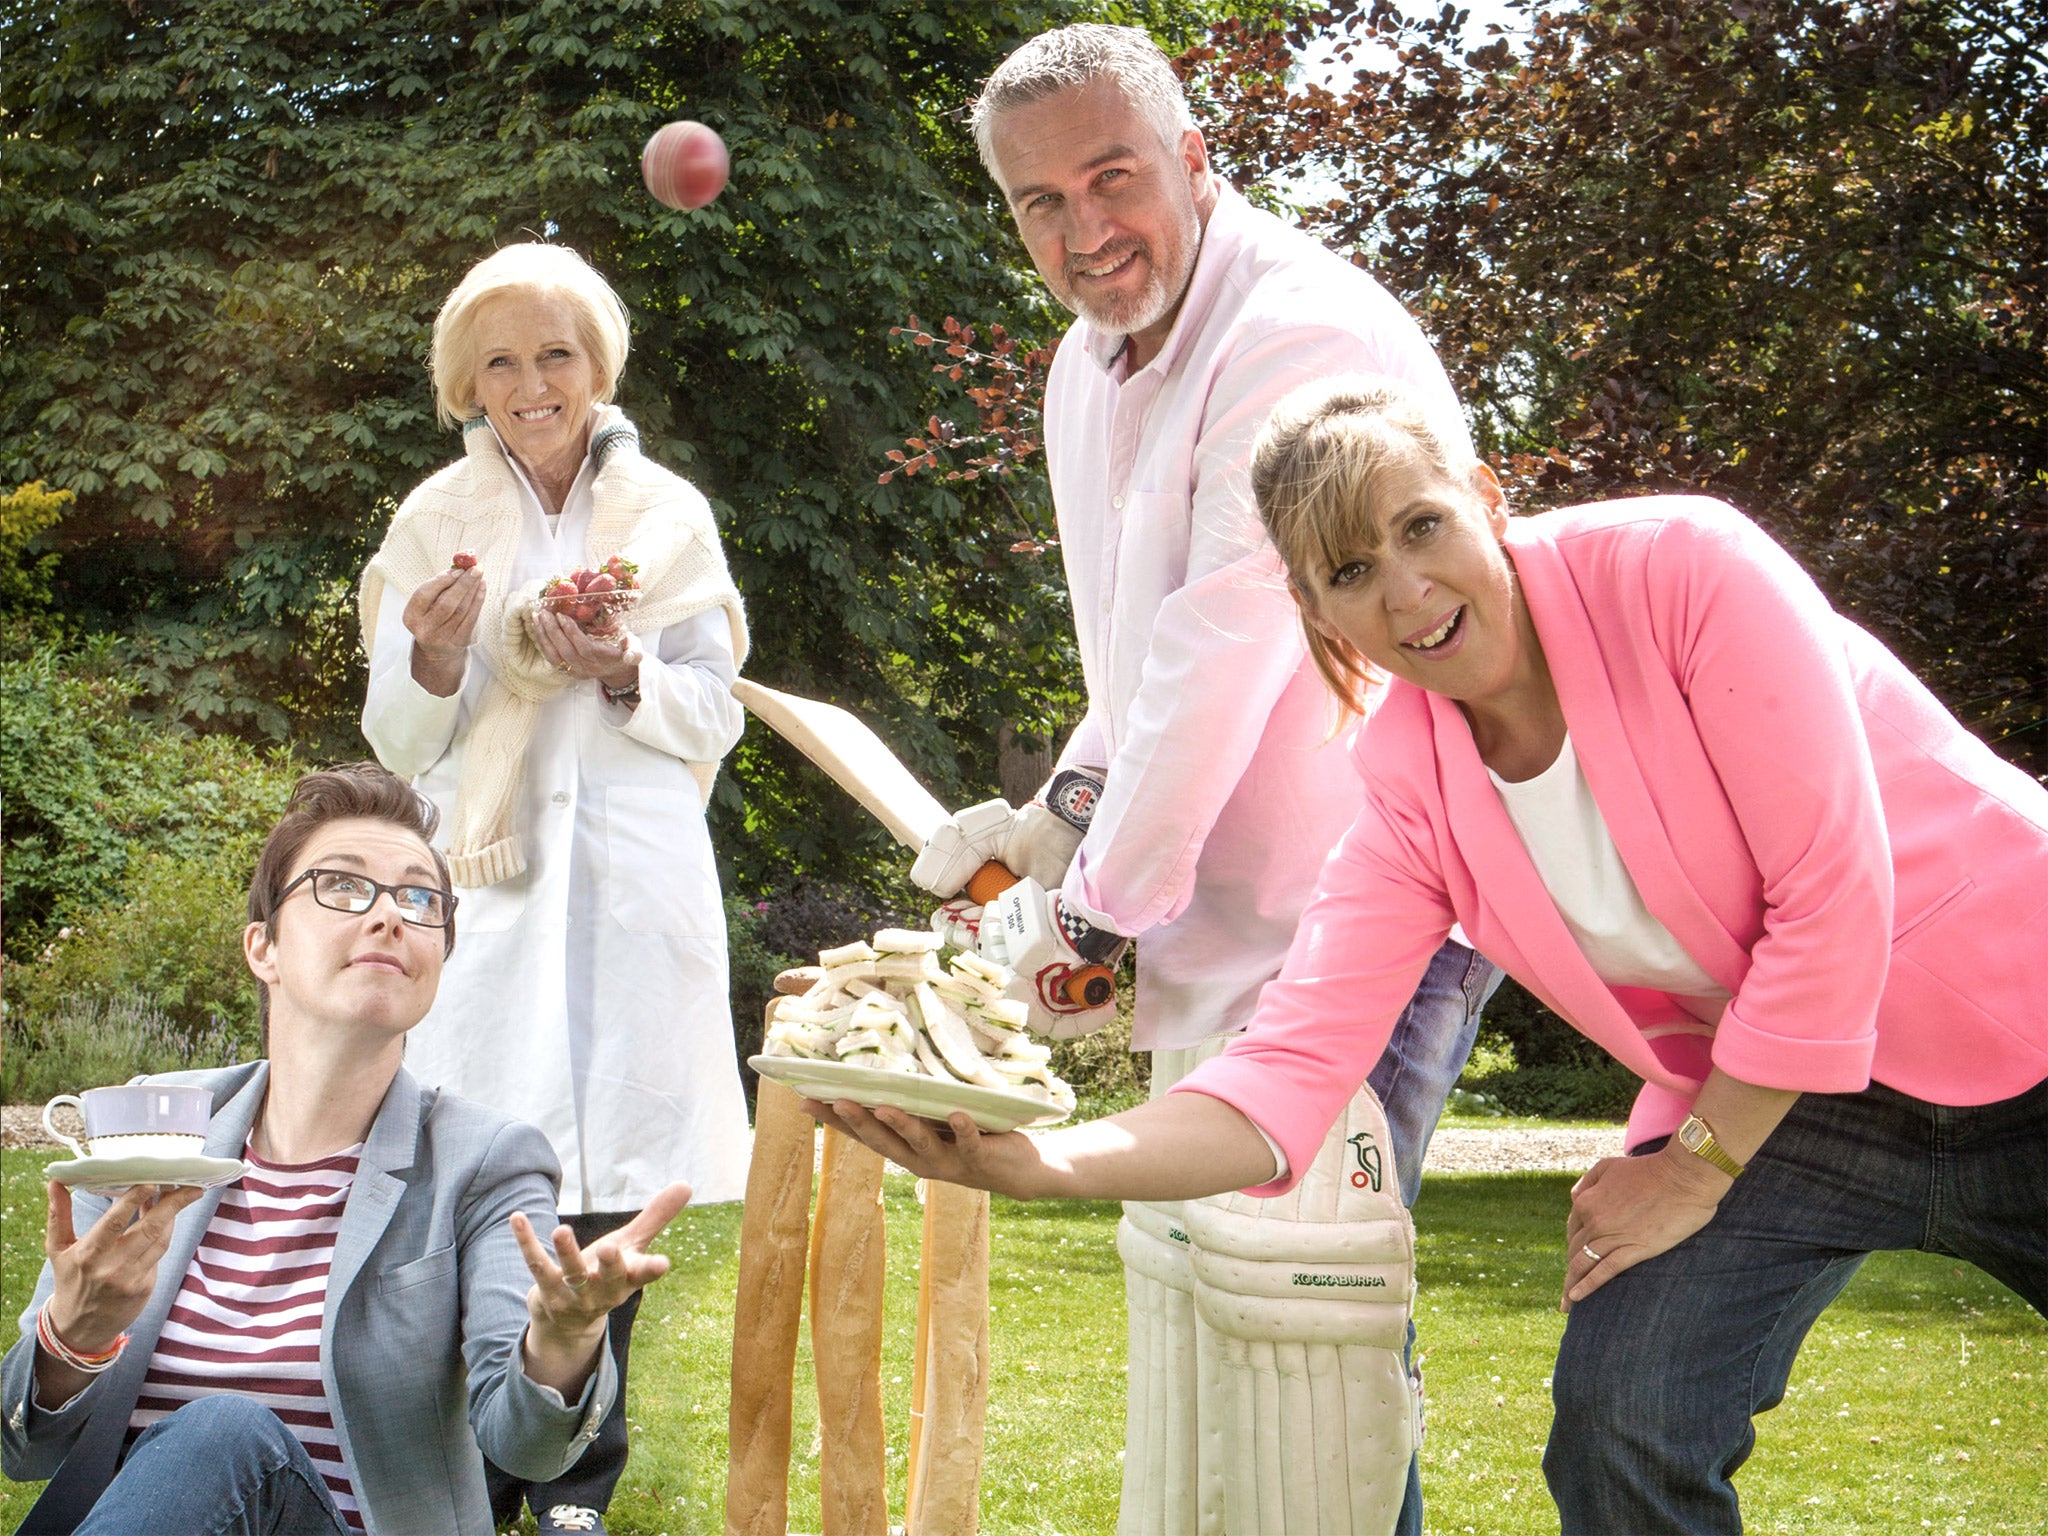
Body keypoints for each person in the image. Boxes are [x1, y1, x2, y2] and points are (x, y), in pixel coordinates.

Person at [818, 375, 2048, 1534]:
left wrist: (1690, 1167)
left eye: (1420, 526)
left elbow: (1831, 898)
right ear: (1315, 610)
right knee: (1623, 1422)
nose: (1405, 590)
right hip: (1780, 1108)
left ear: (1486, 498)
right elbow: (1287, 1071)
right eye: (1351, 570)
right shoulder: (1405, 787)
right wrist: (1040, 1160)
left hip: (2010, 1016)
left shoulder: (1681, 568)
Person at [905, 24, 1499, 1535]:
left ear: (1194, 158)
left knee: (1314, 1314)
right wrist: (1057, 813)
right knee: (1215, 1318)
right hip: (1233, 919)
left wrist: (1088, 922)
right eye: (1041, 203)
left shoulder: (1297, 338)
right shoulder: (1083, 369)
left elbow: (1239, 642)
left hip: (1379, 898)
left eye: (1113, 178)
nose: (1085, 229)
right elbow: (1145, 654)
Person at [2, 763, 691, 1536]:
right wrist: (75, 1336)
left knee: (229, 1437)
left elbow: (528, 1448)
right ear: (263, 948)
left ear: (437, 958)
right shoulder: (157, 1125)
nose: (389, 916)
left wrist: (564, 1338)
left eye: (419, 898)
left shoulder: (486, 1160)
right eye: (342, 886)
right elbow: (23, 1447)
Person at [357, 242, 749, 1533]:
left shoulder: (669, 517)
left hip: (630, 878)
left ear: (600, 366)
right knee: (481, 1166)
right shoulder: (433, 522)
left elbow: (714, 712)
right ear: (467, 380)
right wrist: (428, 659)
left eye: (557, 353)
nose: (533, 382)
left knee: (609, 1184)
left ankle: (576, 1484)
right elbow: (401, 745)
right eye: (504, 360)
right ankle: (476, 1465)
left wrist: (628, 665)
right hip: (491, 883)